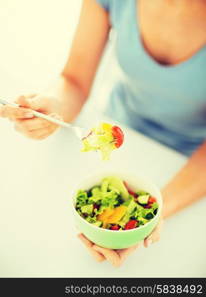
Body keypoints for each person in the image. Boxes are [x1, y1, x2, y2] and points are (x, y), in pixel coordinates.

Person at [0, 0, 206, 267]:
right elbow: (74, 81)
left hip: (189, 162)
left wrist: (154, 214)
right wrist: (51, 107)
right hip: (119, 128)